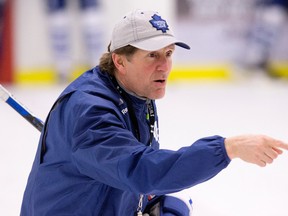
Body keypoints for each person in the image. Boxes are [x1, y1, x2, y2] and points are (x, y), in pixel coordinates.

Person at [20, 9, 288, 216]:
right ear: (120, 60)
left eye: (168, 53)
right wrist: (228, 148)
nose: (164, 66)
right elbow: (141, 170)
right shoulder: (90, 112)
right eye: (152, 56)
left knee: (175, 205)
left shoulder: (135, 91)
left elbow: (133, 172)